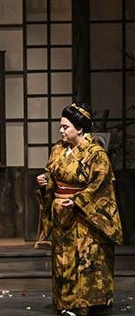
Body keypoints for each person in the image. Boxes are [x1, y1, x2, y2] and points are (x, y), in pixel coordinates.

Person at [36, 102, 123, 316]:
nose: (61, 131)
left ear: (80, 128)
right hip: (61, 212)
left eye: (65, 127)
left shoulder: (96, 153)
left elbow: (101, 185)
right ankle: (64, 302)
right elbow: (51, 173)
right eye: (61, 126)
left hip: (85, 217)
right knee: (62, 259)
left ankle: (87, 304)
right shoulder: (58, 149)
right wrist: (45, 180)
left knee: (86, 260)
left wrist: (78, 200)